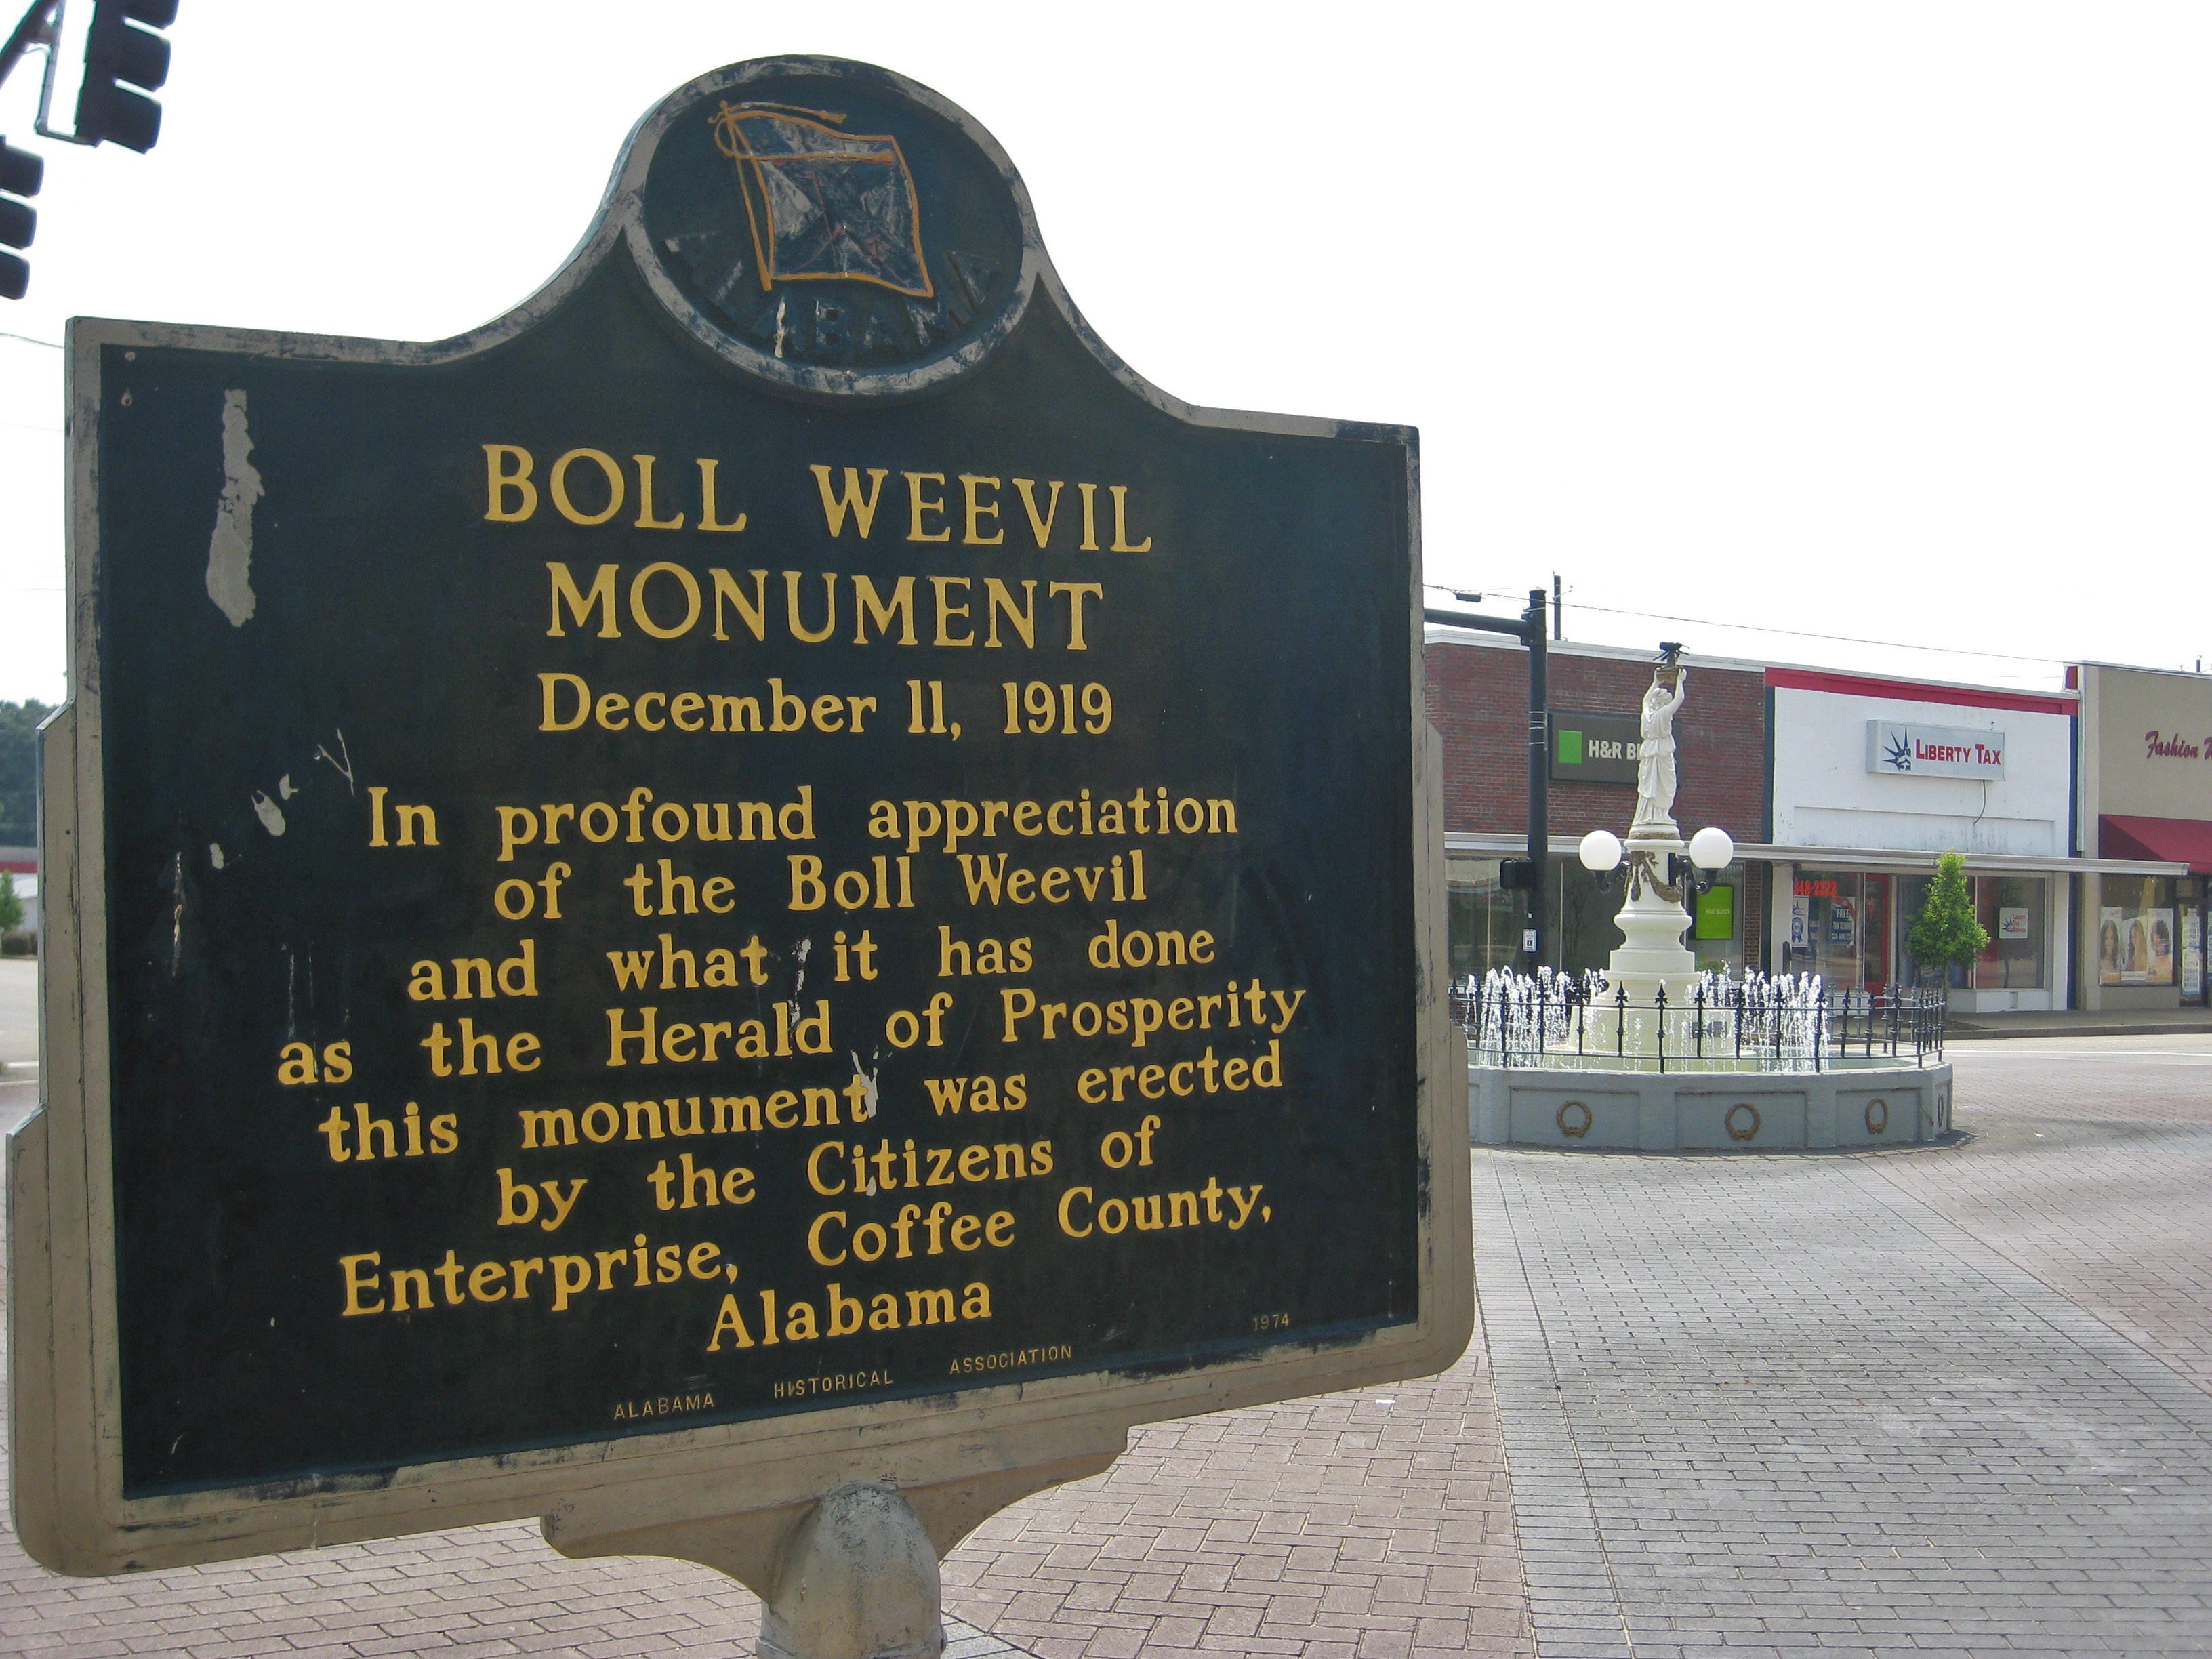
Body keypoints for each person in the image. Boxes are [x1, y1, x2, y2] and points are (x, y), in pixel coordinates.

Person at [1629, 666, 1687, 834]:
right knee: (1664, 784)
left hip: (1650, 751)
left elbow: (1645, 701)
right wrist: (1680, 681)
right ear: (1663, 703)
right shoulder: (1664, 714)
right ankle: (1659, 815)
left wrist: (1656, 682)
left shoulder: (1647, 715)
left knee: (1652, 783)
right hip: (1661, 751)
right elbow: (1680, 698)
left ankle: (1656, 815)